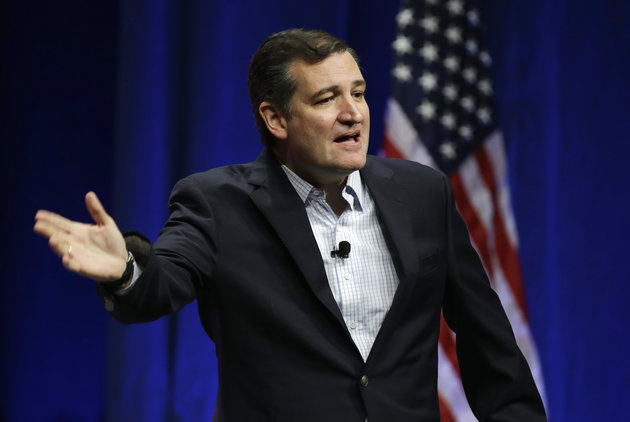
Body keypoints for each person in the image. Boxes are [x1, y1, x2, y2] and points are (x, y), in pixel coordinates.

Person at [34, 29, 546, 421]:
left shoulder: (423, 194)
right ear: (276, 120)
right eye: (326, 100)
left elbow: (488, 342)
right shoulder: (217, 203)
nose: (353, 114)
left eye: (360, 93)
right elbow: (162, 284)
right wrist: (124, 268)